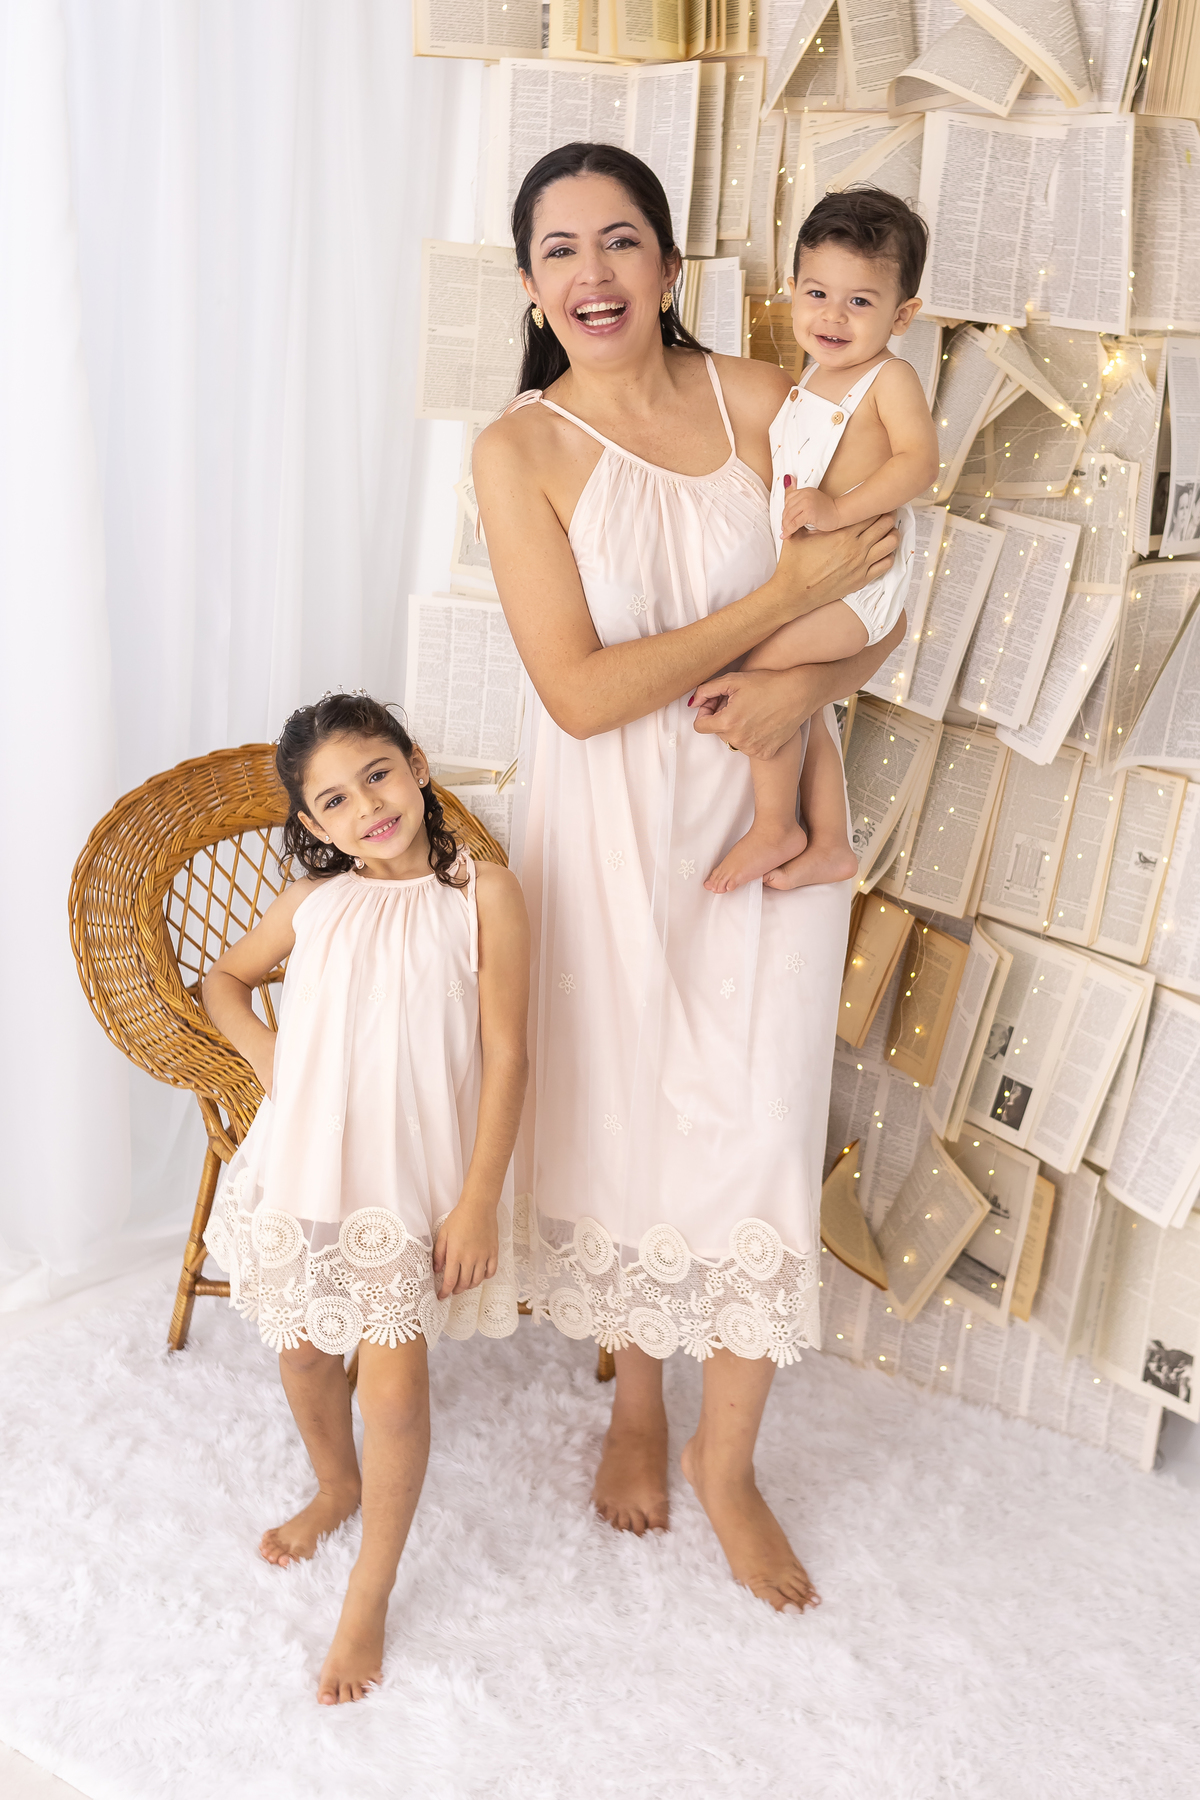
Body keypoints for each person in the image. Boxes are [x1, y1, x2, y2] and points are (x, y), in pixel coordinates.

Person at [473, 142, 904, 1612]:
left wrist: (822, 671)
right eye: (558, 251)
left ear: (670, 262)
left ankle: (730, 1460)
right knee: (629, 1114)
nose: (592, 273)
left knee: (753, 1127)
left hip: (757, 814)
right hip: (606, 826)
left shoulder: (767, 404)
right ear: (530, 283)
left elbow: (895, 576)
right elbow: (583, 696)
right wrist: (782, 604)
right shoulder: (517, 450)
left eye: (620, 242)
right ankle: (636, 1402)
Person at [202, 693, 529, 1703]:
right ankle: (333, 1483)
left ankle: (370, 1592)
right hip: (307, 1164)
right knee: (302, 1353)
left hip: (408, 1181)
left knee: (393, 1391)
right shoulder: (315, 905)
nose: (367, 806)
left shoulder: (484, 894)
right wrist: (267, 1054)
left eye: (377, 775)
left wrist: (477, 1201)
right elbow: (226, 980)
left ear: (418, 767)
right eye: (336, 800)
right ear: (315, 827)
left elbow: (510, 1052)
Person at [704, 187, 939, 894]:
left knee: (762, 675)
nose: (833, 316)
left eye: (861, 303)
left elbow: (919, 465)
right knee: (802, 697)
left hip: (860, 580)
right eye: (817, 292)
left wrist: (838, 510)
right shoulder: (810, 376)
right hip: (821, 575)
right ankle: (831, 843)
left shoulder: (887, 378)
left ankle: (778, 825)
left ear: (902, 315)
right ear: (792, 289)